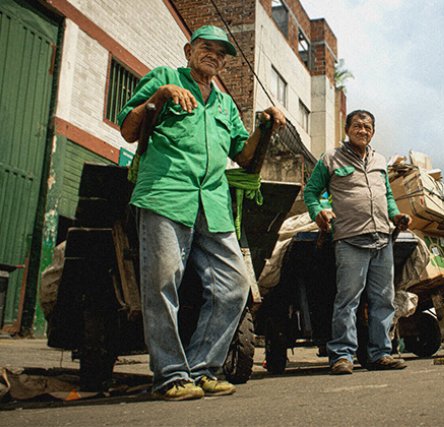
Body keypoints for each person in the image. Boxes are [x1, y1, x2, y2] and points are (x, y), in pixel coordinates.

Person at [117, 25, 285, 400]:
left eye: (221, 53)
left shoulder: (225, 104)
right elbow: (128, 130)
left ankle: (202, 368)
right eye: (206, 48)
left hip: (213, 202)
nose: (214, 55)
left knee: (234, 287)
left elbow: (244, 156)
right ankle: (170, 375)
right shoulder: (165, 78)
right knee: (163, 283)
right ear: (188, 49)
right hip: (165, 193)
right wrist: (158, 98)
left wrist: (265, 124)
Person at [303, 110, 411, 375]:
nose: (363, 130)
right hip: (350, 239)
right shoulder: (331, 158)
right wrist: (319, 212)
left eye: (368, 126)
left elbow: (386, 195)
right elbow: (311, 191)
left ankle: (379, 354)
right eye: (358, 126)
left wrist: (396, 215)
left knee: (383, 301)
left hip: (382, 238)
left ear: (373, 131)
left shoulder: (380, 160)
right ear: (347, 129)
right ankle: (342, 356)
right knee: (347, 300)